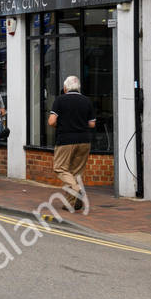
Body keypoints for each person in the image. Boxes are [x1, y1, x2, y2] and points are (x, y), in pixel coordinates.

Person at [48, 75, 95, 212]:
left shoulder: (60, 100)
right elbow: (92, 123)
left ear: (65, 88)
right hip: (84, 141)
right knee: (75, 173)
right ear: (78, 88)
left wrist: (62, 123)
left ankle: (77, 189)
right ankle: (71, 203)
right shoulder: (87, 101)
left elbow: (51, 121)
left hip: (66, 140)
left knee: (60, 168)